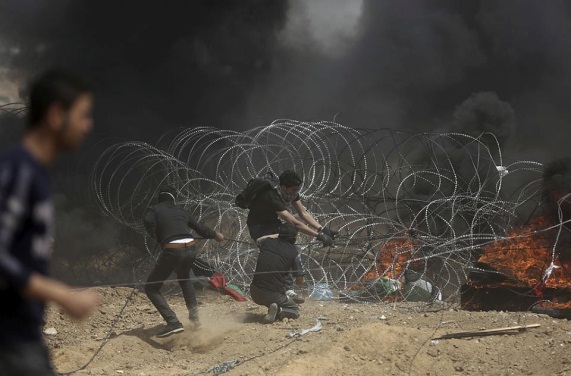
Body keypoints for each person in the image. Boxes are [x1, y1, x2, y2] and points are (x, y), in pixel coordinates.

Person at [0, 69, 100, 375]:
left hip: (23, 339)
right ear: (56, 115)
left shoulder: (36, 173)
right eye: (83, 115)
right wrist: (60, 294)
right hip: (10, 343)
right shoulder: (20, 172)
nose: (88, 126)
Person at [143, 187, 225, 337]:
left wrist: (156, 235)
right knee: (185, 278)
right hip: (191, 248)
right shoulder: (181, 211)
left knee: (151, 288)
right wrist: (215, 235)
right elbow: (200, 229)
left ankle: (173, 322)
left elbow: (148, 221)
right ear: (173, 200)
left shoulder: (153, 209)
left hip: (173, 249)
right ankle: (195, 320)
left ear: (160, 200)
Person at [246, 170, 337, 302]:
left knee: (288, 247)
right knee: (283, 251)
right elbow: (294, 222)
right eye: (294, 189)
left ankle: (286, 290)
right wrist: (319, 236)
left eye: (298, 189)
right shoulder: (271, 196)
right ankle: (283, 291)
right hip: (258, 227)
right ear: (284, 187)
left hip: (272, 223)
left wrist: (322, 229)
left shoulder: (289, 192)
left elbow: (303, 213)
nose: (296, 193)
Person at [250, 224, 305, 323]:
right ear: (295, 237)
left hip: (254, 292)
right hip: (273, 295)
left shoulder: (267, 242)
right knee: (294, 310)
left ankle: (275, 307)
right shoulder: (294, 253)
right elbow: (300, 281)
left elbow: (259, 239)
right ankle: (280, 311)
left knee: (275, 297)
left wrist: (279, 234)